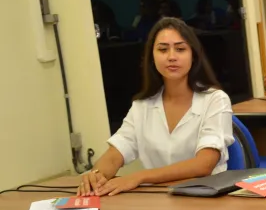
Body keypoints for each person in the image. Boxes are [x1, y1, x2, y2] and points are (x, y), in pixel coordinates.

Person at [78, 18, 234, 196]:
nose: (171, 56)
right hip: (159, 201)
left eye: (180, 49)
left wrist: (139, 177)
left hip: (208, 199)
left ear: (193, 55)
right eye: (162, 49)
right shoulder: (142, 106)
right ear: (152, 57)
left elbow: (204, 164)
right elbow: (115, 154)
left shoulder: (215, 100)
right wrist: (97, 175)